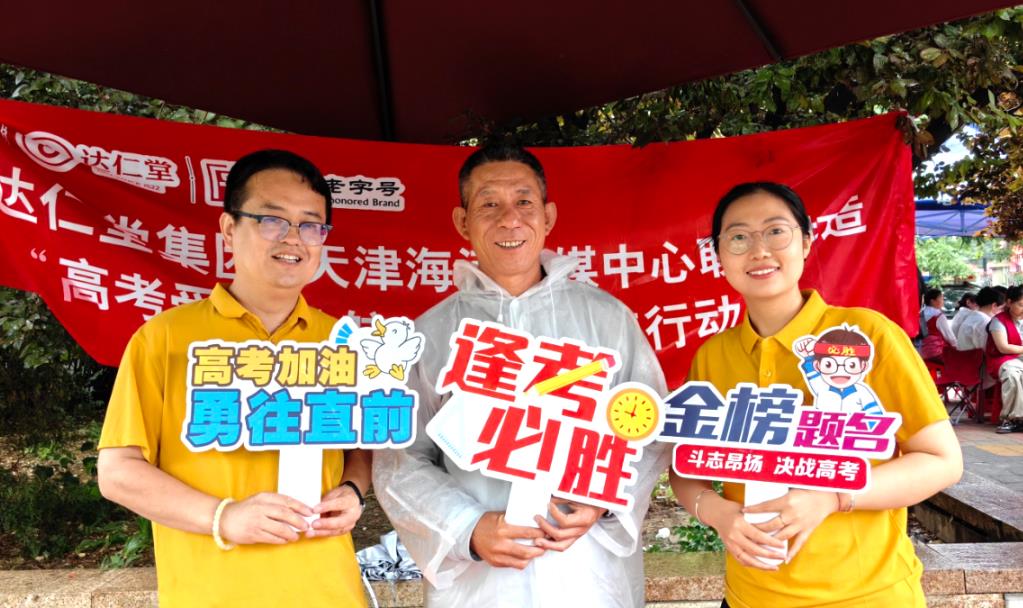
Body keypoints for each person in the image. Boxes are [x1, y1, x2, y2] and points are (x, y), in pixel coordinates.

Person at [372, 144, 667, 607]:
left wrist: (604, 499)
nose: (509, 219)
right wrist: (466, 527)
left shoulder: (607, 320)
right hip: (479, 586)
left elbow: (648, 433)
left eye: (524, 201)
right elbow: (400, 460)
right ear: (462, 221)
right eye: (489, 203)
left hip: (586, 576)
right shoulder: (430, 335)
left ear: (548, 216)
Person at [670, 182, 962, 608]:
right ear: (718, 255)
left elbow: (942, 460)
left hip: (867, 597)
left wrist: (834, 496)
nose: (759, 251)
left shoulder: (867, 336)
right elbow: (685, 463)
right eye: (738, 237)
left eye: (776, 231)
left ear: (806, 241)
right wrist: (715, 512)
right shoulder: (713, 356)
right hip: (749, 597)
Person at [97, 150, 369, 607]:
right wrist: (223, 517)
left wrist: (354, 490)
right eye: (272, 220)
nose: (293, 238)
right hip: (212, 595)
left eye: (311, 225)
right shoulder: (165, 339)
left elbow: (362, 446)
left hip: (331, 592)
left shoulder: (343, 341)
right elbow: (118, 472)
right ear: (228, 228)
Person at [987, 286, 1023, 433]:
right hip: (1002, 359)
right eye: (1021, 305)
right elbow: (1003, 347)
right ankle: (1011, 418)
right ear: (1009, 302)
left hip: (1019, 358)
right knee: (1012, 375)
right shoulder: (998, 321)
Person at [955, 286, 1004, 352]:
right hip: (974, 358)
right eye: (1001, 308)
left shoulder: (973, 317)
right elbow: (988, 350)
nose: (1002, 311)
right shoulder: (984, 322)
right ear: (994, 305)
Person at [920, 288, 957, 360]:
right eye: (941, 298)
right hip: (936, 352)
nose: (943, 301)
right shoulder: (938, 316)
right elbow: (950, 337)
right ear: (932, 301)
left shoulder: (920, 313)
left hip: (919, 351)